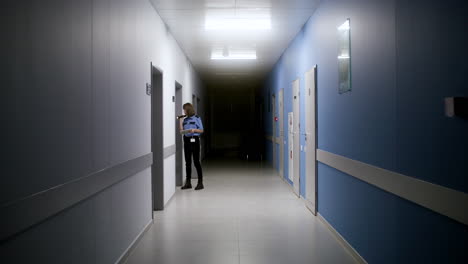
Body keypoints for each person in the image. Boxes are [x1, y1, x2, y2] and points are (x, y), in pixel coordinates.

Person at [179, 103, 204, 190]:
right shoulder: (185, 120)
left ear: (188, 110)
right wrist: (180, 121)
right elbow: (181, 131)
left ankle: (200, 182)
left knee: (196, 161)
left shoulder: (197, 118)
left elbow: (201, 130)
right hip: (186, 141)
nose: (183, 111)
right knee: (188, 163)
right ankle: (188, 182)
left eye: (184, 109)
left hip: (195, 140)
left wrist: (194, 130)